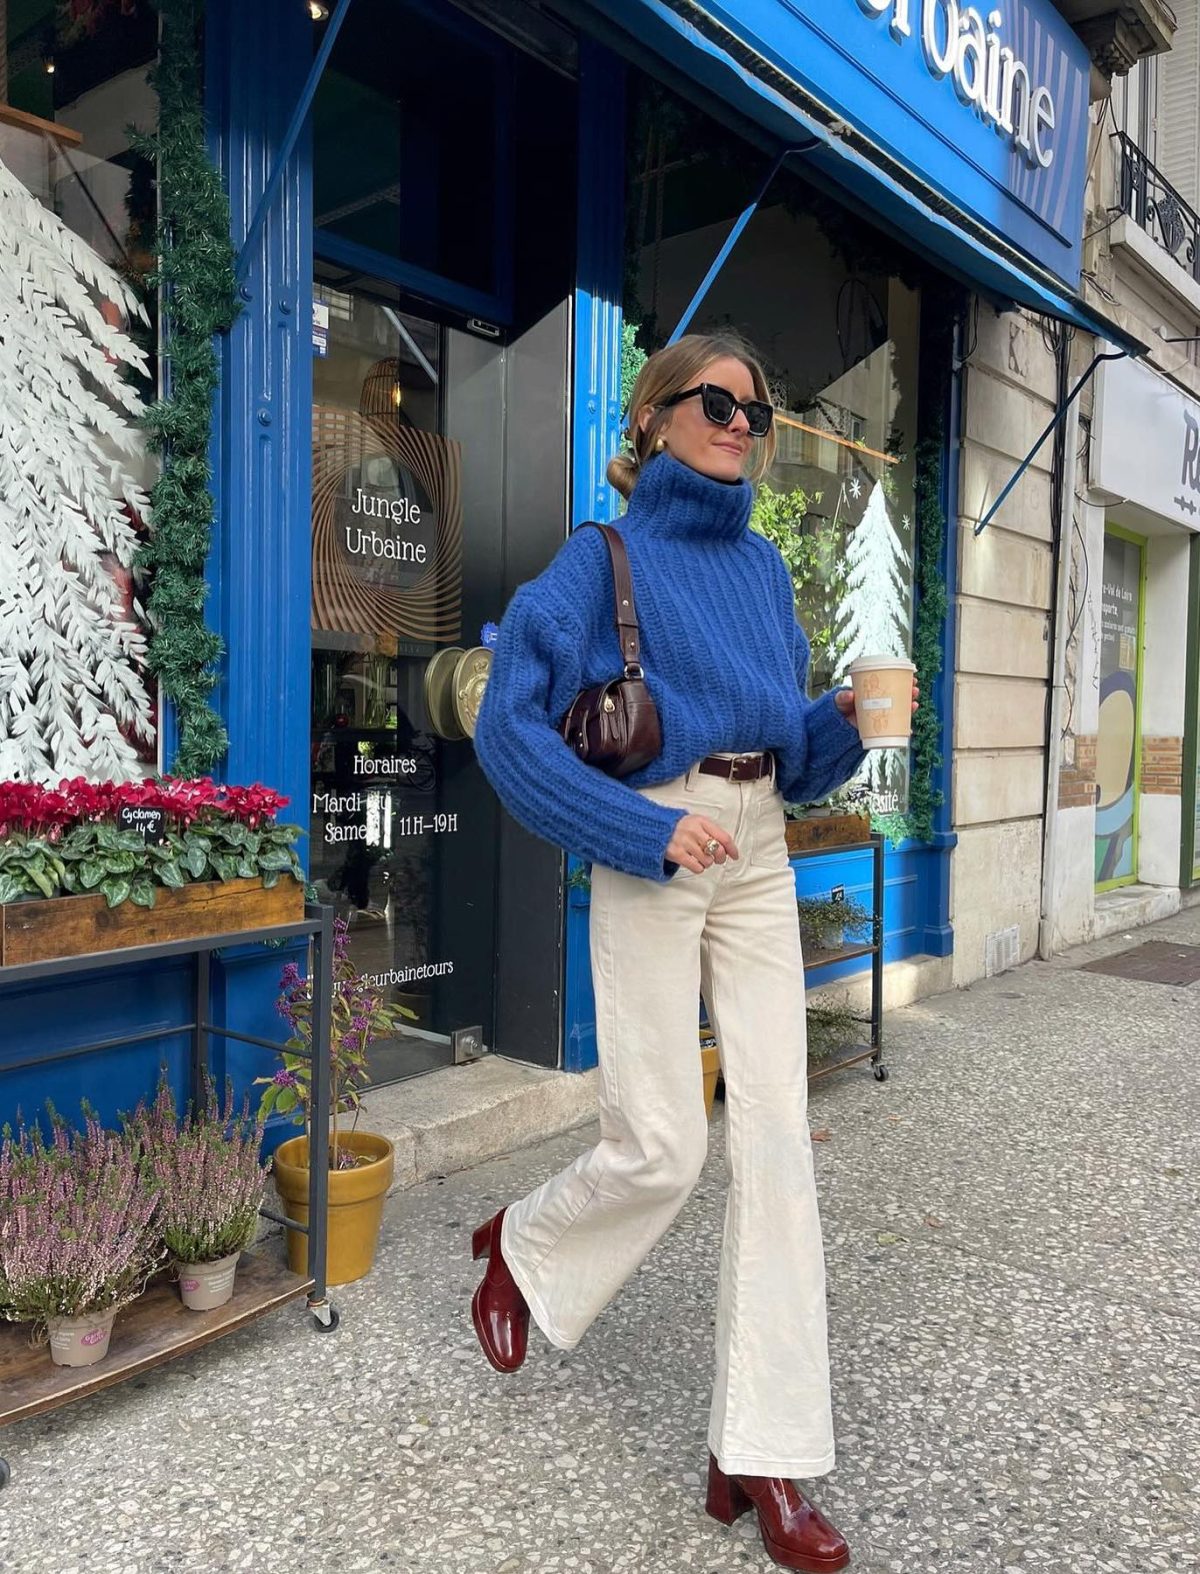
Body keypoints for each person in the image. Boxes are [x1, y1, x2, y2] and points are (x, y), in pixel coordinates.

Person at [471, 333, 916, 1573]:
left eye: (757, 412)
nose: (740, 423)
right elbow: (509, 728)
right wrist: (638, 828)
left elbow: (789, 750)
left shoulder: (768, 570)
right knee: (664, 1142)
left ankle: (763, 1452)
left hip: (761, 848)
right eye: (717, 402)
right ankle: (521, 1242)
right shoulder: (595, 557)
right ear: (658, 417)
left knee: (777, 1140)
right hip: (656, 843)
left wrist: (847, 723)